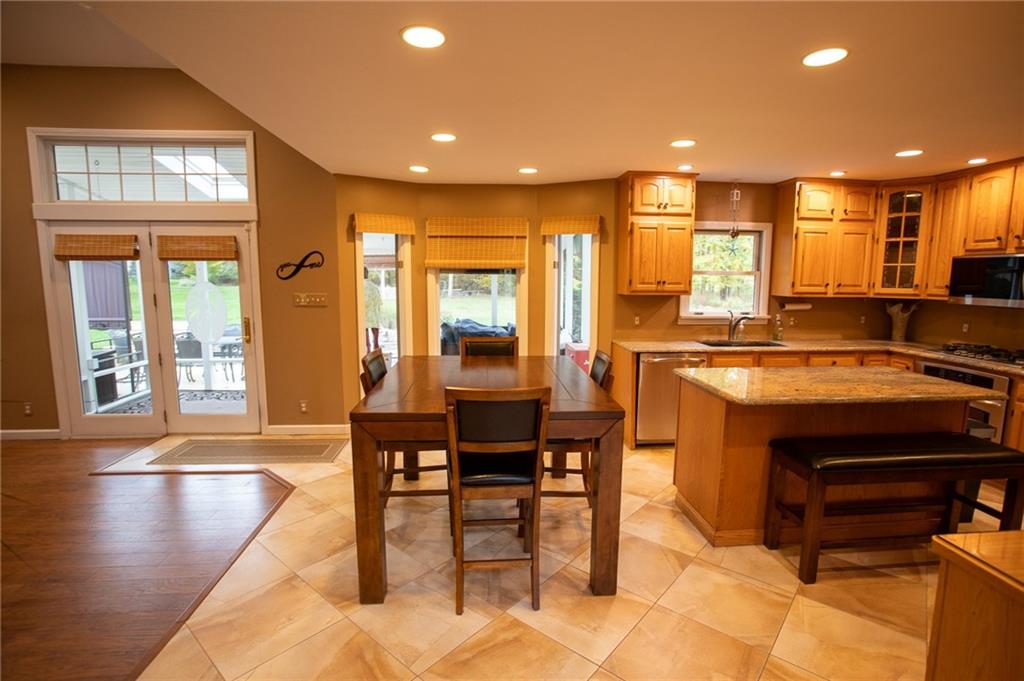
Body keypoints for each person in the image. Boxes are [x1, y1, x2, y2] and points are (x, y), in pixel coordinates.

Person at [364, 266, 382, 352]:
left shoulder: (359, 287)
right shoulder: (374, 287)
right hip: (374, 314)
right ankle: (376, 345)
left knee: (364, 328)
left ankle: (367, 347)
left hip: (364, 313)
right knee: (374, 326)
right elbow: (379, 302)